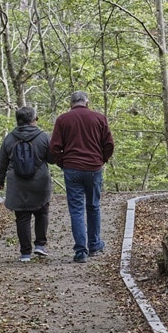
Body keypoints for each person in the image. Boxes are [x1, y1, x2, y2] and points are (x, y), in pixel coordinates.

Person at [50, 91, 114, 263]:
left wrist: (64, 162)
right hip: (94, 168)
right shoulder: (99, 118)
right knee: (93, 206)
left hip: (72, 169)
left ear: (71, 103)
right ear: (87, 102)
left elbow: (54, 147)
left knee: (76, 209)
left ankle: (80, 251)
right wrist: (102, 159)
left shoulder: (63, 120)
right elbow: (109, 144)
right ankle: (94, 244)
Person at [0, 106, 53, 262]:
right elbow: (52, 158)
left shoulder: (9, 138)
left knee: (22, 217)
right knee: (42, 212)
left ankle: (25, 253)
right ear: (32, 120)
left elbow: (2, 162)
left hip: (17, 183)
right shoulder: (43, 137)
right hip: (40, 181)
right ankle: (40, 245)